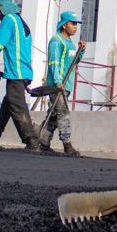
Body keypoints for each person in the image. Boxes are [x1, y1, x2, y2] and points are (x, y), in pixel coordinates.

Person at [0, 0, 40, 151]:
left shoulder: (9, 20)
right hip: (23, 71)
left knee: (17, 107)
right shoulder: (20, 21)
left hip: (16, 72)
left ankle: (32, 141)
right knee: (7, 107)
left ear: (1, 8)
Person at [37, 11, 85, 156]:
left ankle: (43, 143)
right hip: (56, 86)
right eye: (73, 23)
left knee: (54, 115)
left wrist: (81, 51)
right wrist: (58, 81)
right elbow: (54, 62)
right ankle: (67, 145)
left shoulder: (70, 43)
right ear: (64, 25)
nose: (75, 27)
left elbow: (74, 62)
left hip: (66, 85)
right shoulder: (56, 41)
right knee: (63, 114)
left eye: (76, 24)